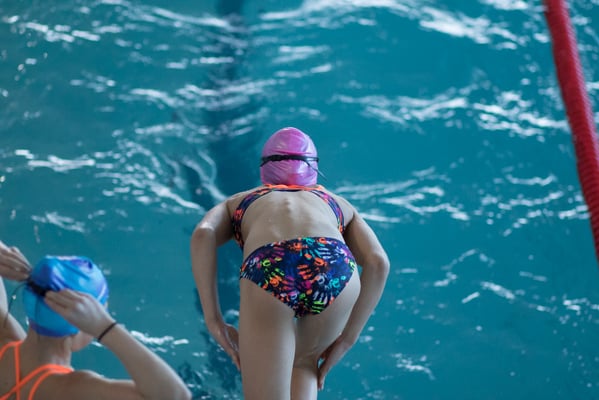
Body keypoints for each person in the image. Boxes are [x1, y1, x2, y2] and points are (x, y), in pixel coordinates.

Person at [191, 127, 390, 400]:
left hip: (272, 265)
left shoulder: (242, 200)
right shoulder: (335, 202)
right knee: (303, 362)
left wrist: (214, 321)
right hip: (333, 264)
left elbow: (203, 234)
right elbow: (378, 262)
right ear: (313, 171)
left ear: (264, 172)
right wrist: (347, 339)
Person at [0, 241, 191, 400]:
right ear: (79, 327)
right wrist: (106, 328)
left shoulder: (4, 333)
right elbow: (176, 396)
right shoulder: (71, 391)